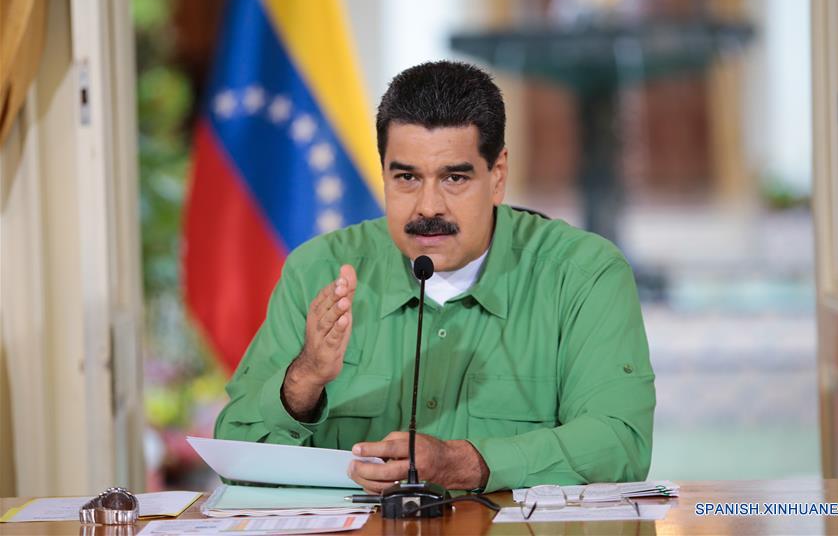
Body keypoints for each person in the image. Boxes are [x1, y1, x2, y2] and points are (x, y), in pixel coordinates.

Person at [214, 61, 655, 493]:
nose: (428, 207)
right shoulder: (318, 270)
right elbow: (234, 458)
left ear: (497, 176)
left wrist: (469, 464)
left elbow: (619, 444)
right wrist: (304, 379)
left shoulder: (581, 275)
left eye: (454, 178)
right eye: (407, 177)